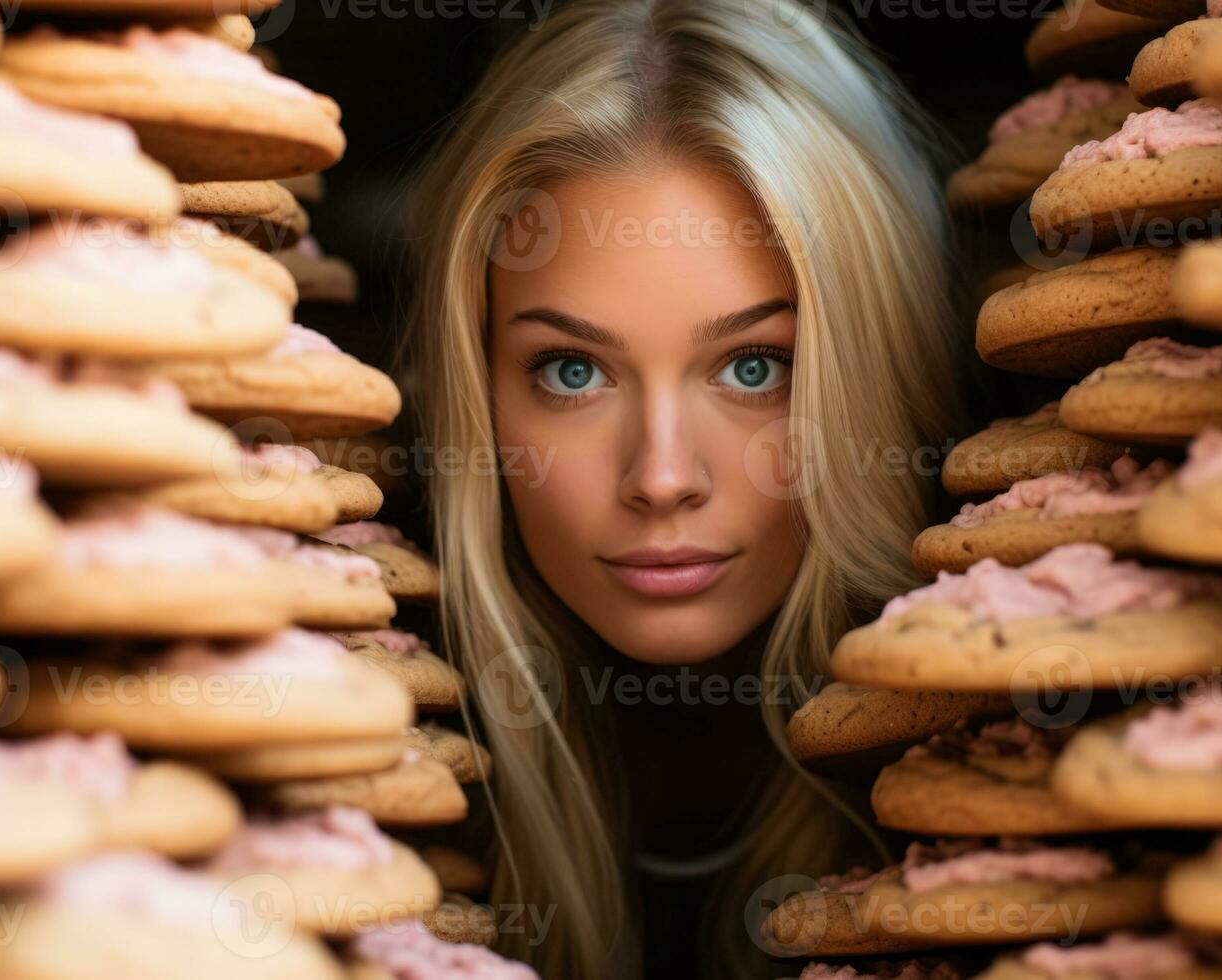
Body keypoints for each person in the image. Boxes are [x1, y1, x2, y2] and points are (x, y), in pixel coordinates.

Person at [405, 0, 968, 975]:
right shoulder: (365, 804)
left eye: (754, 367)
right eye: (572, 372)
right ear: (474, 390)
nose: (662, 477)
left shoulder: (1032, 794)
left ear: (877, 368)